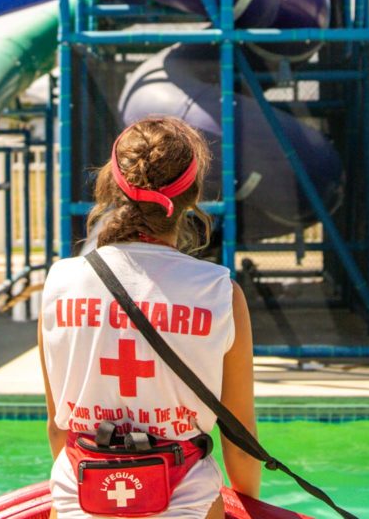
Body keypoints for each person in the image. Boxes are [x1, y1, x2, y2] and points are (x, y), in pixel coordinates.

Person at [38, 116, 259, 518]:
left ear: (110, 186)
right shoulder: (219, 292)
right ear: (192, 197)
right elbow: (239, 436)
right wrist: (248, 507)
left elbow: (59, 429)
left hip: (80, 501)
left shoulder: (60, 283)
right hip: (187, 505)